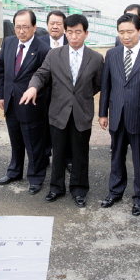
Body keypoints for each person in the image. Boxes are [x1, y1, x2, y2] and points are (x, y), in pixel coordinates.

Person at [20, 14, 104, 207]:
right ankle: (56, 188)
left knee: (80, 154)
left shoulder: (96, 58)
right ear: (65, 33)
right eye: (70, 32)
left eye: (78, 32)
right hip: (58, 112)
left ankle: (79, 189)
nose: (74, 37)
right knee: (58, 153)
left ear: (86, 33)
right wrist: (33, 87)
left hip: (82, 113)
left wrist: (82, 95)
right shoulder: (54, 55)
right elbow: (41, 74)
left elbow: (98, 84)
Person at [98, 13, 140, 216]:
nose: (125, 36)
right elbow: (106, 86)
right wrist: (103, 113)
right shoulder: (112, 54)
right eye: (121, 32)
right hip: (117, 116)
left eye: (130, 31)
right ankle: (115, 191)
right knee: (116, 157)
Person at [0, 9, 51, 195]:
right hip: (11, 101)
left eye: (25, 27)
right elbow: (2, 69)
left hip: (32, 105)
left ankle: (35, 177)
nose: (21, 31)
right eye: (17, 27)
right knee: (16, 141)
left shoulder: (43, 49)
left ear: (34, 27)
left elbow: (47, 80)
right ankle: (14, 171)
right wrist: (1, 95)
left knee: (34, 144)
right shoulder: (9, 42)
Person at [39, 10, 73, 172]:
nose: (54, 26)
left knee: (66, 126)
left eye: (58, 23)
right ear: (47, 25)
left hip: (65, 95)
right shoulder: (40, 42)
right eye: (52, 23)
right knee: (44, 127)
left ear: (64, 26)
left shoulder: (72, 42)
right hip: (44, 95)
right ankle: (45, 156)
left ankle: (67, 158)